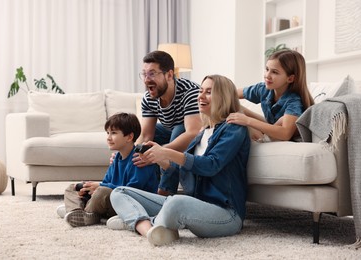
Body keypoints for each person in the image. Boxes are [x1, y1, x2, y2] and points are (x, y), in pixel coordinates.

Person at [106, 75, 251, 246]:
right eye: (201, 91)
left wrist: (167, 152)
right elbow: (184, 171)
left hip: (226, 214)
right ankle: (147, 228)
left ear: (224, 97)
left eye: (209, 92)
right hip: (196, 204)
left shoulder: (233, 129)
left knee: (176, 202)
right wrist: (161, 160)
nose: (201, 96)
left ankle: (137, 220)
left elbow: (211, 165)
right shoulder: (202, 133)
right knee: (120, 192)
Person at [57, 113, 159, 227]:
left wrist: (99, 187)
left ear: (129, 137)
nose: (108, 138)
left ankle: (82, 211)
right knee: (73, 188)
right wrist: (90, 189)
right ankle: (77, 211)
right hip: (111, 200)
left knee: (102, 192)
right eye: (108, 133)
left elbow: (131, 192)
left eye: (114, 133)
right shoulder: (116, 158)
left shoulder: (140, 159)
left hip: (130, 204)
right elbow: (106, 183)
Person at [135, 50, 203, 196]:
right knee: (142, 145)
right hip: (169, 131)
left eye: (152, 73)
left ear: (170, 75)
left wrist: (160, 151)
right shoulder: (149, 98)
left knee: (179, 128)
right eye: (144, 74)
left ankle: (165, 192)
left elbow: (194, 132)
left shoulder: (190, 92)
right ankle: (145, 190)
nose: (147, 80)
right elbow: (146, 135)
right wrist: (131, 153)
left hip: (192, 134)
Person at [227, 49, 314, 142]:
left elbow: (285, 133)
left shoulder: (294, 100)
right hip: (271, 126)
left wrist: (247, 120)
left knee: (282, 119)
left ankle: (261, 138)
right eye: (267, 69)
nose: (267, 76)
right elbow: (230, 94)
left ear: (290, 78)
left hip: (283, 134)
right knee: (235, 106)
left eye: (275, 72)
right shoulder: (263, 89)